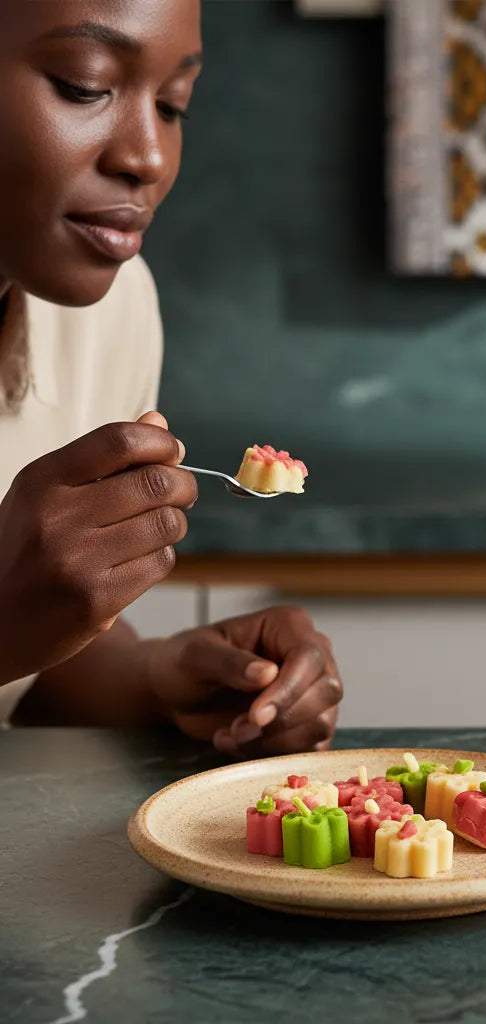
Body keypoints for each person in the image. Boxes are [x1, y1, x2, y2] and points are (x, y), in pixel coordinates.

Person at [0, 0, 343, 755]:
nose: (149, 158)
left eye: (171, 104)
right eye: (85, 86)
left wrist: (166, 676)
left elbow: (31, 668)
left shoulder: (113, 307)